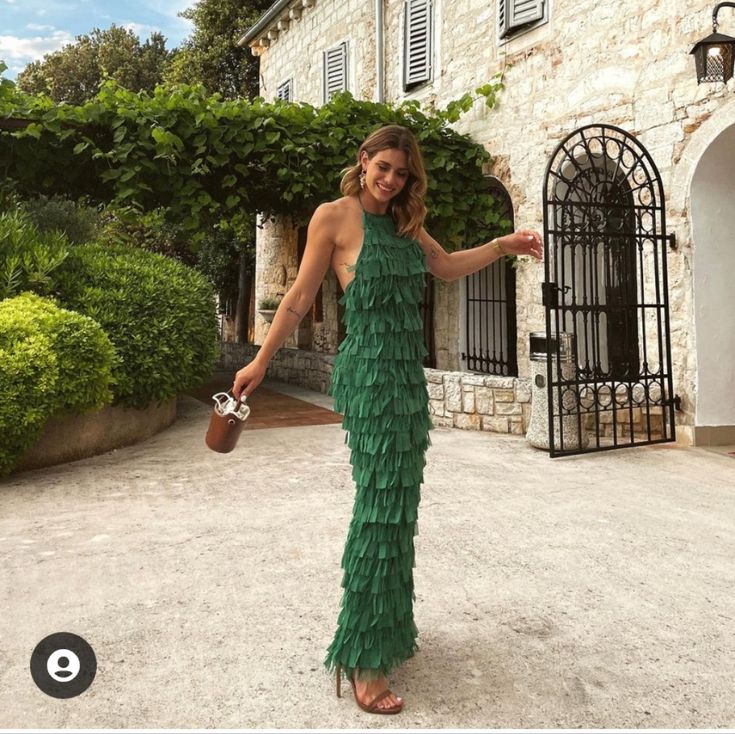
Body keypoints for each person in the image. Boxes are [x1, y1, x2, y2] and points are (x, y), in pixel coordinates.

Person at [232, 124, 543, 714]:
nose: (392, 180)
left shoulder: (405, 222)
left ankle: (390, 631)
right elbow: (298, 297)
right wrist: (260, 361)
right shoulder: (334, 216)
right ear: (364, 160)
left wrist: (504, 245)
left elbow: (447, 268)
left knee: (400, 506)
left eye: (403, 173)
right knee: (379, 506)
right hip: (370, 377)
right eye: (385, 168)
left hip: (406, 380)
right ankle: (364, 656)